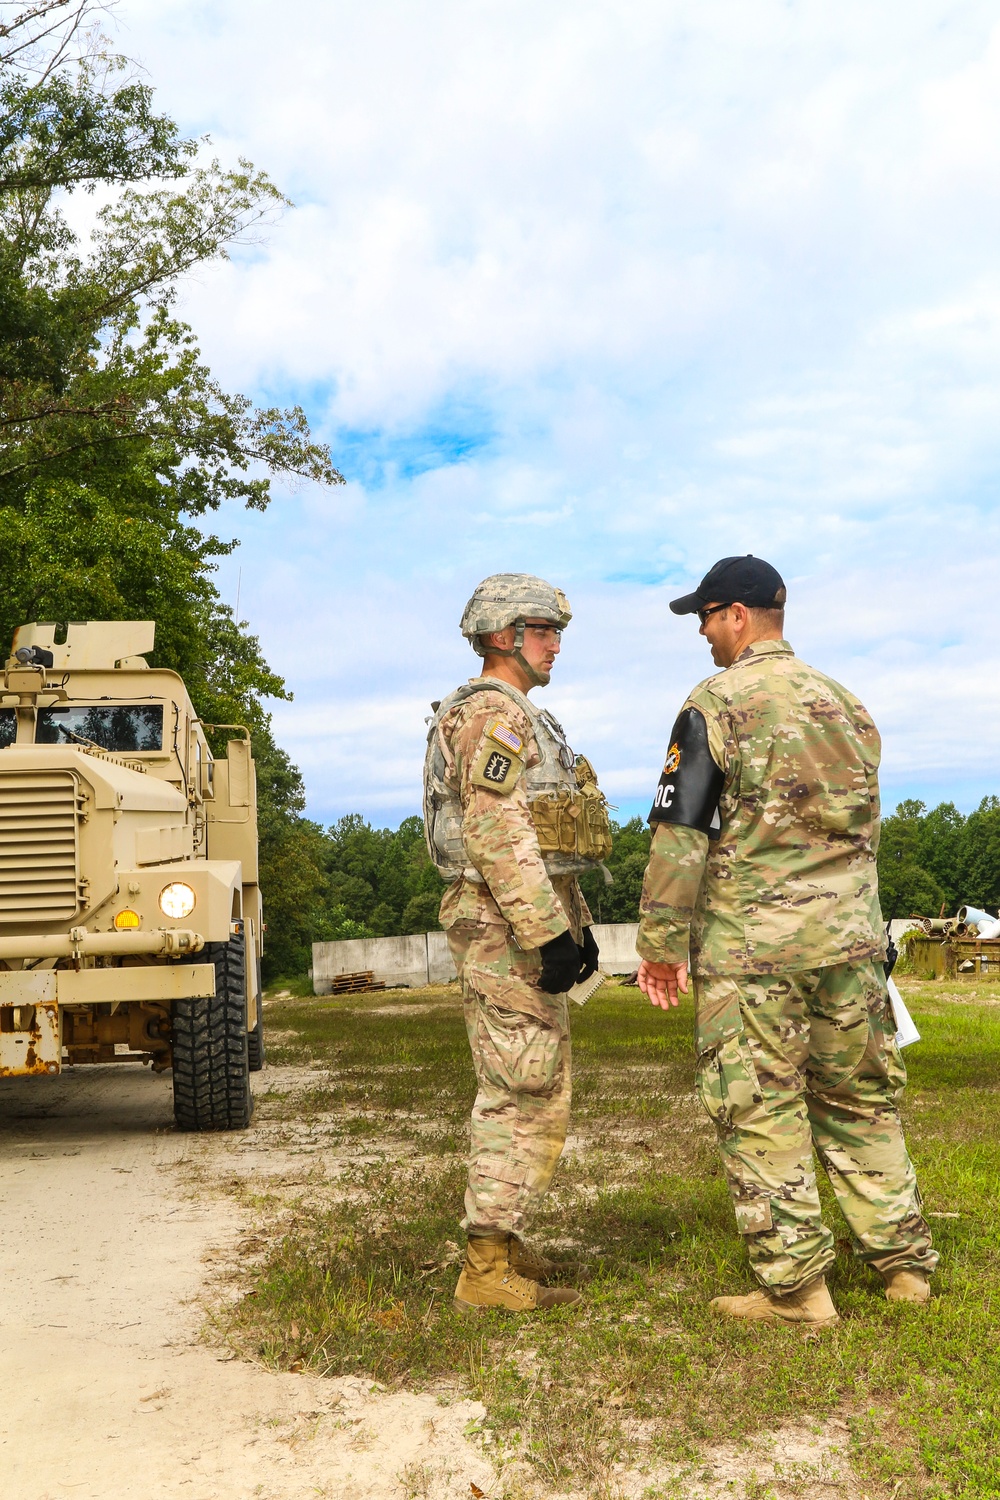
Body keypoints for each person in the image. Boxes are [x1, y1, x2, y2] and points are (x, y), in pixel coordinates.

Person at [635, 555, 937, 1328]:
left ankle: (798, 1291)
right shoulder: (849, 707)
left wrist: (662, 942)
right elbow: (861, 834)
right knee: (862, 1102)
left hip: (755, 954)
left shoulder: (715, 704)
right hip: (850, 949)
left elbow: (682, 832)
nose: (701, 633)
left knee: (760, 1107)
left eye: (704, 616)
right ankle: (904, 1268)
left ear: (738, 614)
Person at [423, 574, 613, 1313]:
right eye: (542, 630)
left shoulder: (526, 715)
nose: (555, 644)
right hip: (505, 926)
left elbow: (548, 837)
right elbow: (497, 832)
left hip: (524, 917)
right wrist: (545, 932)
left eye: (556, 631)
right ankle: (484, 1266)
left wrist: (578, 928)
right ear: (503, 636)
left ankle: (501, 1238)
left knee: (537, 1082)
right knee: (516, 1087)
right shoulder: (494, 715)